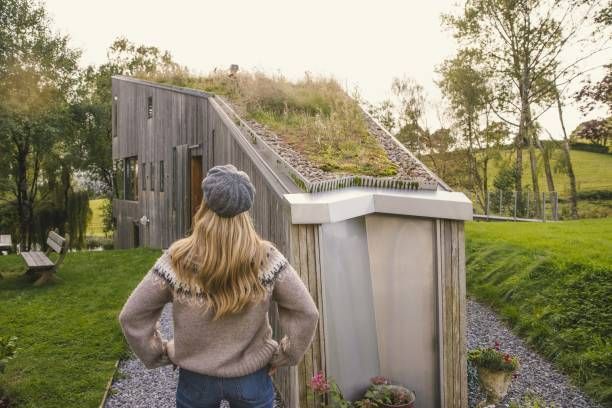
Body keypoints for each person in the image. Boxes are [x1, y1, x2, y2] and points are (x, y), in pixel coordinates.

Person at [118, 164, 320, 408]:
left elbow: (132, 316)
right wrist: (284, 355)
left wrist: (158, 353)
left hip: (195, 380)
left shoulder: (178, 258)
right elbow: (307, 313)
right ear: (245, 211)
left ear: (205, 205)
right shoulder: (266, 258)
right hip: (251, 378)